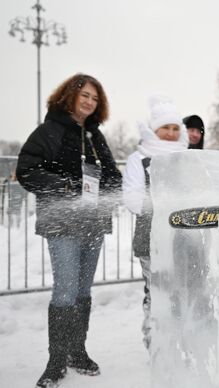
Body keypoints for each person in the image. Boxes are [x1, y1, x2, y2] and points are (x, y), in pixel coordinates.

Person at [16, 73, 122, 388]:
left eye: (95, 98)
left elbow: (112, 174)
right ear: (70, 95)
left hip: (93, 223)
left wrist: (108, 189)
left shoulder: (95, 136)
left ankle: (77, 351)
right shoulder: (49, 131)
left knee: (83, 291)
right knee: (65, 290)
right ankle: (56, 361)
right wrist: (62, 186)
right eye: (85, 95)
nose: (90, 102)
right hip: (61, 224)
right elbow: (27, 170)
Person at [123, 94, 188, 350]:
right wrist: (163, 206)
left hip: (185, 237)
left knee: (183, 290)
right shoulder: (139, 159)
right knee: (156, 291)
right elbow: (132, 197)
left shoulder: (187, 157)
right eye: (165, 128)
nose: (171, 134)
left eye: (175, 128)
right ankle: (156, 342)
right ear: (154, 130)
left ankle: (182, 339)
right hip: (151, 237)